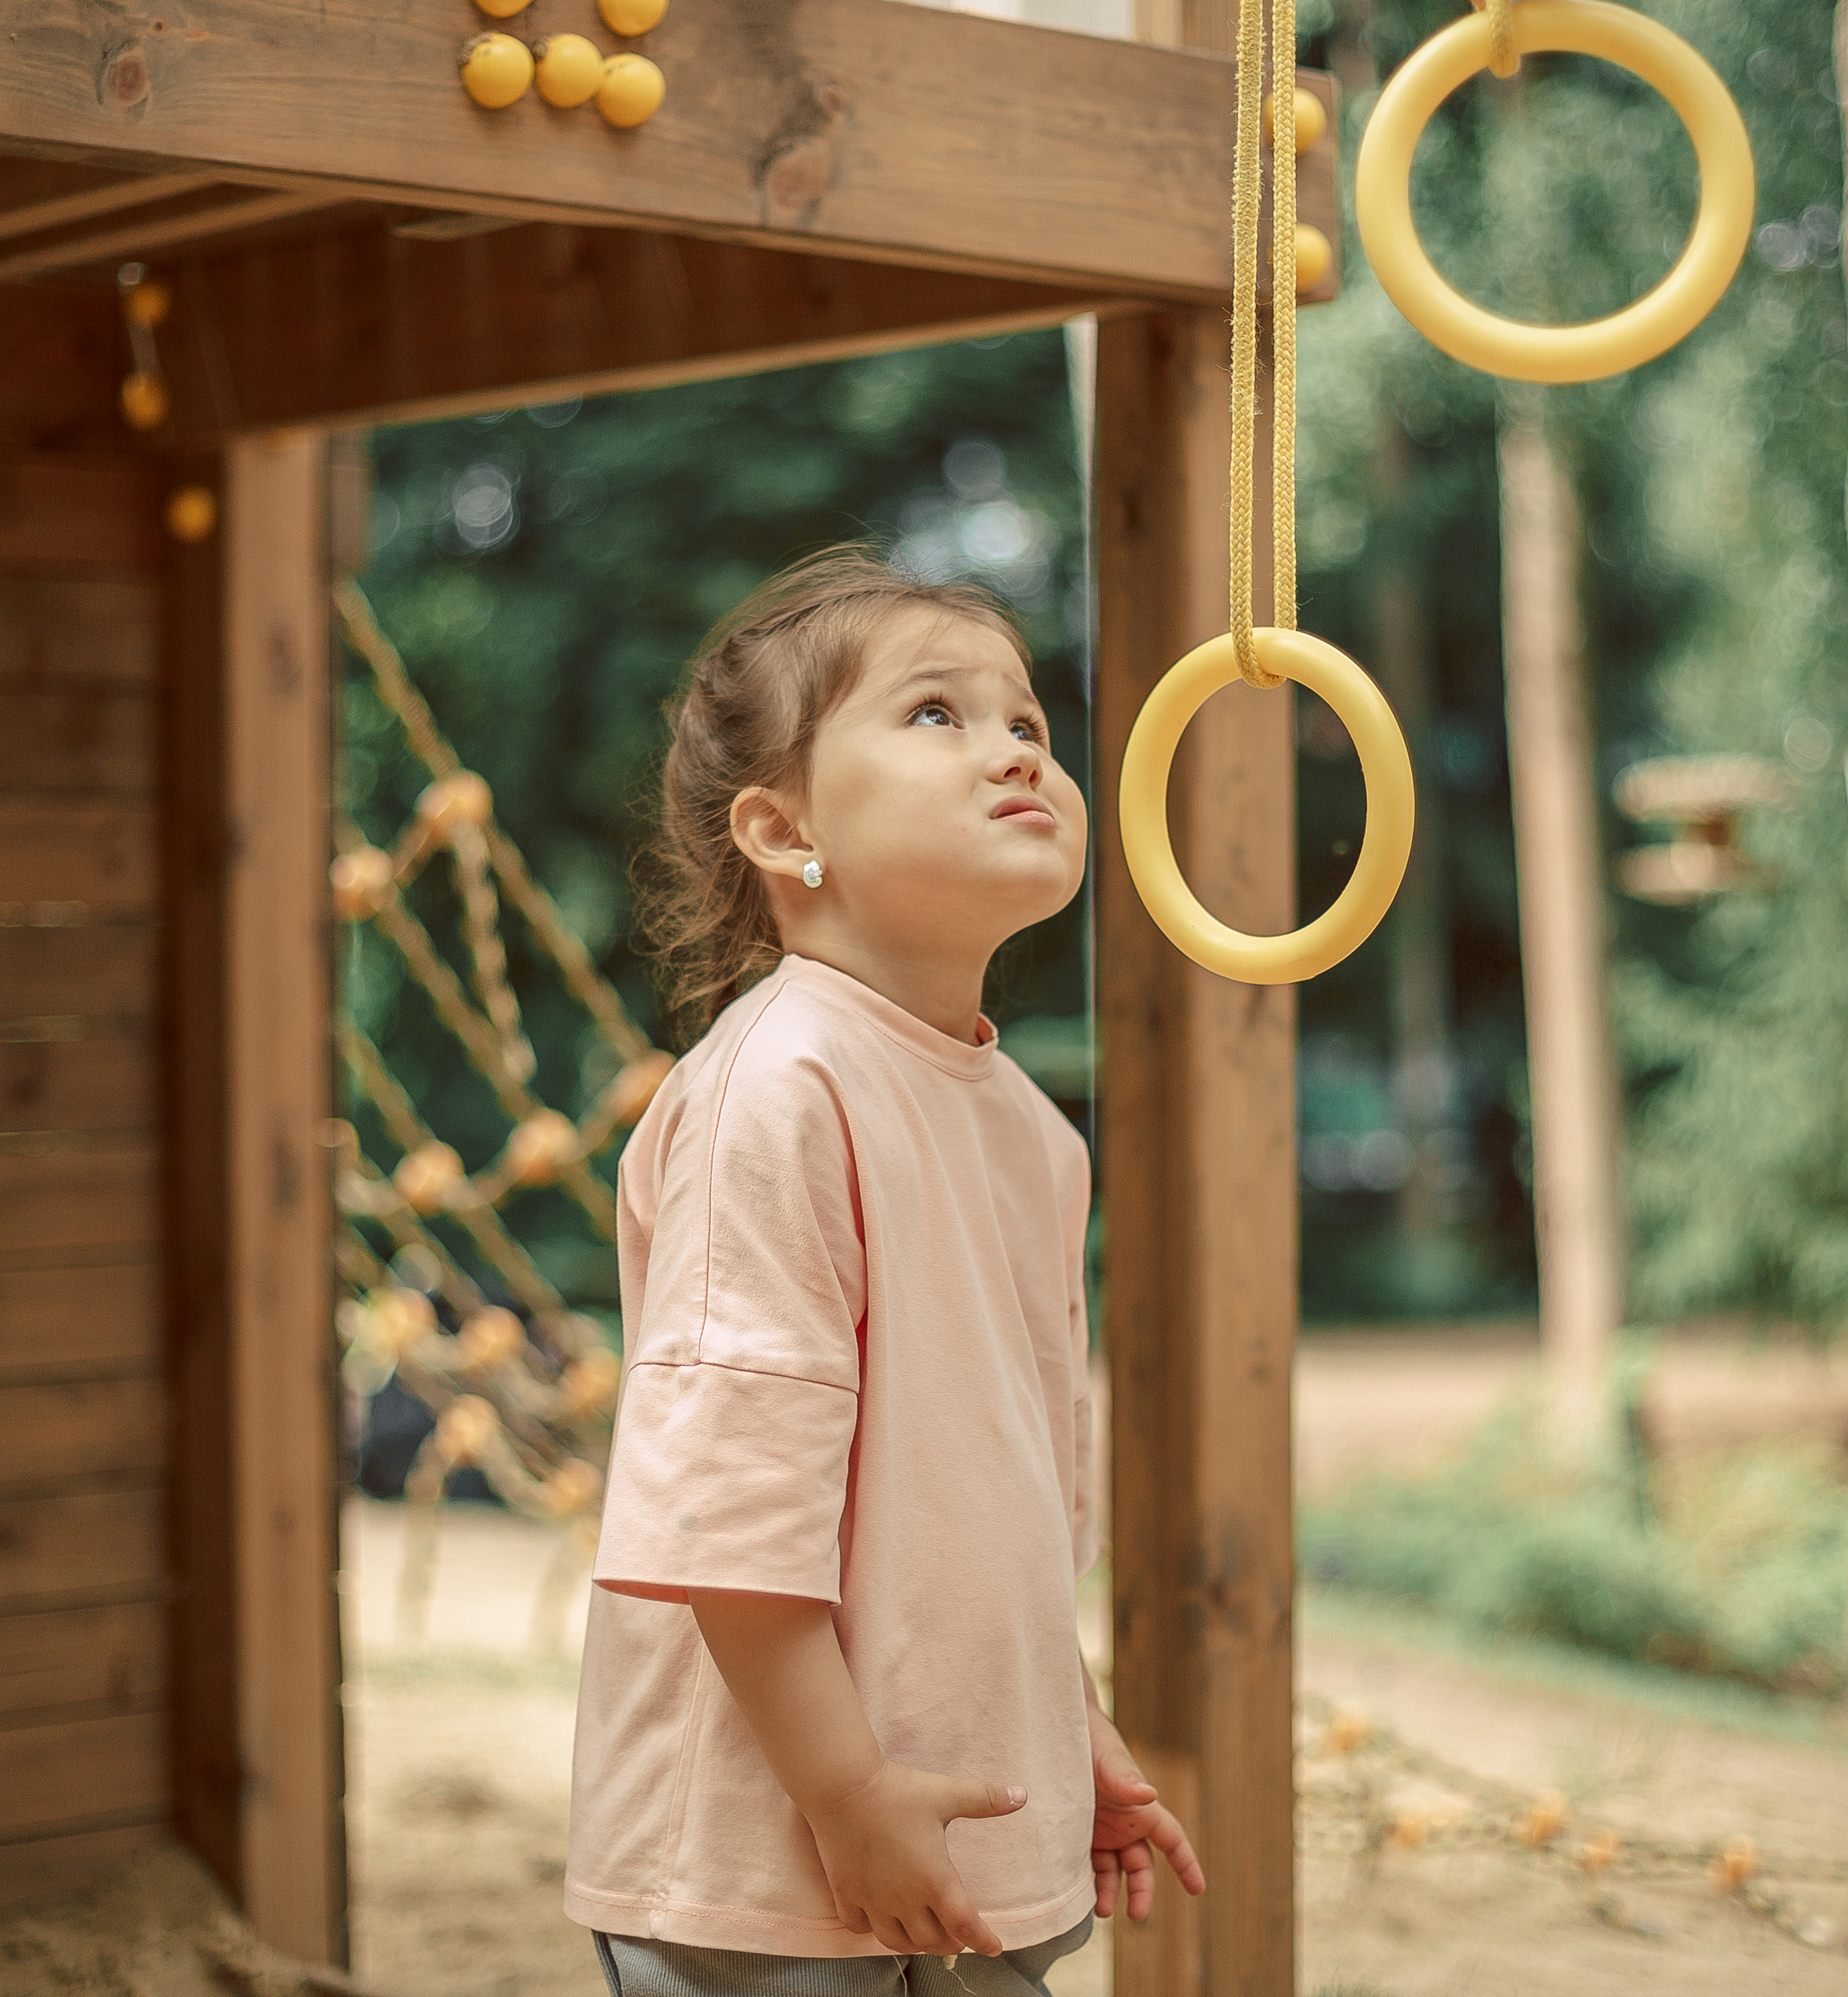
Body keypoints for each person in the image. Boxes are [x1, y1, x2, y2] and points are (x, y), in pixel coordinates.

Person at [565, 550, 1204, 1995]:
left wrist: (1064, 1727)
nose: (1012, 755)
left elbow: (997, 1513)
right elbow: (727, 1518)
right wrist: (844, 1798)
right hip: (758, 1862)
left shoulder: (1030, 1136)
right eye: (935, 715)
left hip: (973, 1837)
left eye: (1027, 725)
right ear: (784, 829)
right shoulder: (777, 1092)